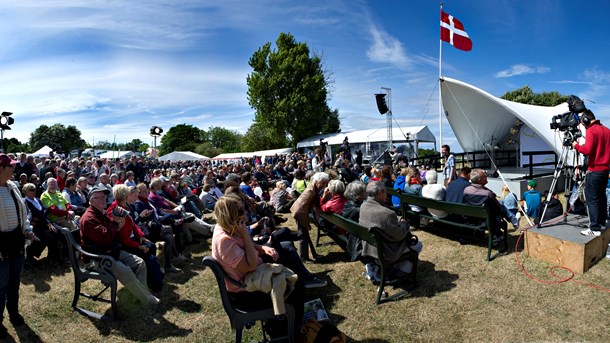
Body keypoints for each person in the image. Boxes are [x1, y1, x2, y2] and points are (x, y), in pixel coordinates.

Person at [211, 195, 305, 341]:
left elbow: (245, 247)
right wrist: (244, 233)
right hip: (245, 293)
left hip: (251, 279)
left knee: (284, 252)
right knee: (297, 287)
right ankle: (291, 334)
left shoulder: (228, 227)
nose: (245, 213)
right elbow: (250, 266)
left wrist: (262, 248)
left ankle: (281, 324)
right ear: (231, 216)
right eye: (241, 211)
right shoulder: (224, 241)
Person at [80, 186, 160, 306]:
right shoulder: (89, 218)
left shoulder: (101, 213)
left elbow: (115, 235)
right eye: (99, 197)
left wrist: (118, 227)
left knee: (140, 263)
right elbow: (106, 238)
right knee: (126, 271)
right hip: (99, 257)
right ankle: (146, 298)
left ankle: (140, 295)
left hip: (111, 251)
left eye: (104, 197)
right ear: (91, 201)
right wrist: (117, 224)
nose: (103, 200)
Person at [359, 181, 422, 281]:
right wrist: (405, 224)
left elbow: (381, 219)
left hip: (370, 247)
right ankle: (402, 272)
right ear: (380, 192)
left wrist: (398, 219)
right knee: (418, 245)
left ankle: (396, 267)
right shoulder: (387, 213)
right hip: (386, 251)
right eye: (385, 192)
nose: (386, 194)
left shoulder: (363, 206)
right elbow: (400, 235)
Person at [0, 154, 33, 339]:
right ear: (1, 169)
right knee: (1, 284)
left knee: (14, 282)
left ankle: (13, 312)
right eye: (10, 166)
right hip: (1, 245)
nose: (14, 169)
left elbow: (23, 213)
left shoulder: (13, 187)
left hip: (17, 242)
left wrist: (27, 229)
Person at [572, 109, 610, 236]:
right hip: (605, 170)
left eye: (583, 124)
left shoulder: (591, 130)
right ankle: (602, 222)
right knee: (601, 197)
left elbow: (587, 150)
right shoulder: (606, 130)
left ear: (587, 120)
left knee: (591, 199)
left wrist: (576, 145)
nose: (583, 126)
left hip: (594, 170)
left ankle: (594, 228)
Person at [463, 169, 518, 243]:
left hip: (473, 218)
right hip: (488, 221)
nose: (486, 177)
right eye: (484, 176)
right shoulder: (487, 194)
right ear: (479, 180)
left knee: (500, 202)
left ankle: (513, 219)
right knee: (501, 204)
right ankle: (513, 219)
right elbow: (500, 209)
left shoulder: (466, 190)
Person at [22, 183, 66, 265]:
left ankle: (53, 257)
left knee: (59, 231)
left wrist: (41, 217)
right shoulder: (25, 202)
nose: (34, 191)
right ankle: (31, 257)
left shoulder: (37, 200)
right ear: (25, 191)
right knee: (49, 235)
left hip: (45, 222)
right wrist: (41, 217)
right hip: (37, 225)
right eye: (31, 189)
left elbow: (46, 210)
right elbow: (33, 214)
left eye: (34, 189)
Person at [290, 172, 329, 262]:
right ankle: (303, 257)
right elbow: (302, 210)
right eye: (322, 183)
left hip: (301, 212)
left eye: (325, 184)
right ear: (316, 181)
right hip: (300, 213)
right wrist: (306, 223)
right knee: (303, 236)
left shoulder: (313, 187)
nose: (323, 186)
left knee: (305, 235)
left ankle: (312, 255)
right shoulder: (311, 191)